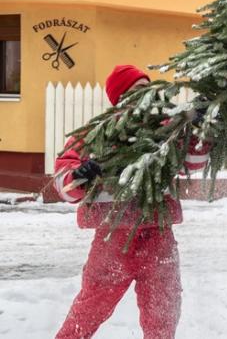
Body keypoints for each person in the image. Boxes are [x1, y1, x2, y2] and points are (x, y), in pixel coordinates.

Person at [54, 65, 210, 339]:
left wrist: (198, 130)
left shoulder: (165, 131)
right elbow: (63, 185)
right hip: (112, 241)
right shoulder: (96, 135)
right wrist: (79, 175)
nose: (147, 97)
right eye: (138, 91)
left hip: (158, 237)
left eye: (148, 90)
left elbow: (194, 162)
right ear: (121, 98)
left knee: (163, 315)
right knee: (87, 312)